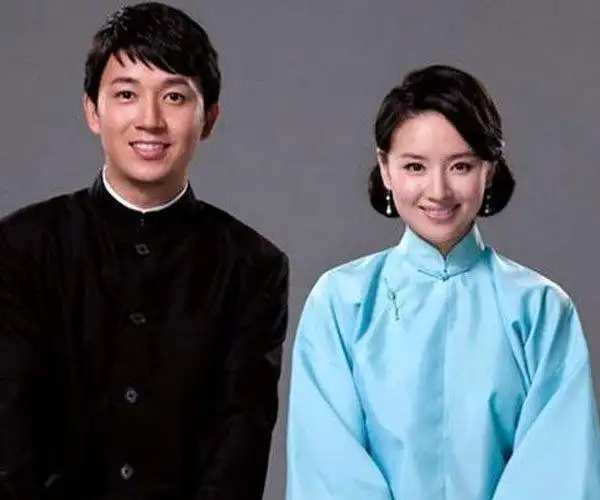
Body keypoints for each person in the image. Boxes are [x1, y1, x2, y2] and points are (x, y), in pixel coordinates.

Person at [0, 2, 289, 499]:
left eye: (174, 96)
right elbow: (9, 436)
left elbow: (239, 444)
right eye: (127, 94)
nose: (150, 120)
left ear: (209, 118)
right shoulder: (20, 247)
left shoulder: (253, 265)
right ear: (93, 111)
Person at [286, 64, 600, 499]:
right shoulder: (341, 302)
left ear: (489, 169)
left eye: (460, 166)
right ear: (385, 168)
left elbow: (557, 471)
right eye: (415, 166)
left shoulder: (540, 309)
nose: (438, 191)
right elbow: (329, 470)